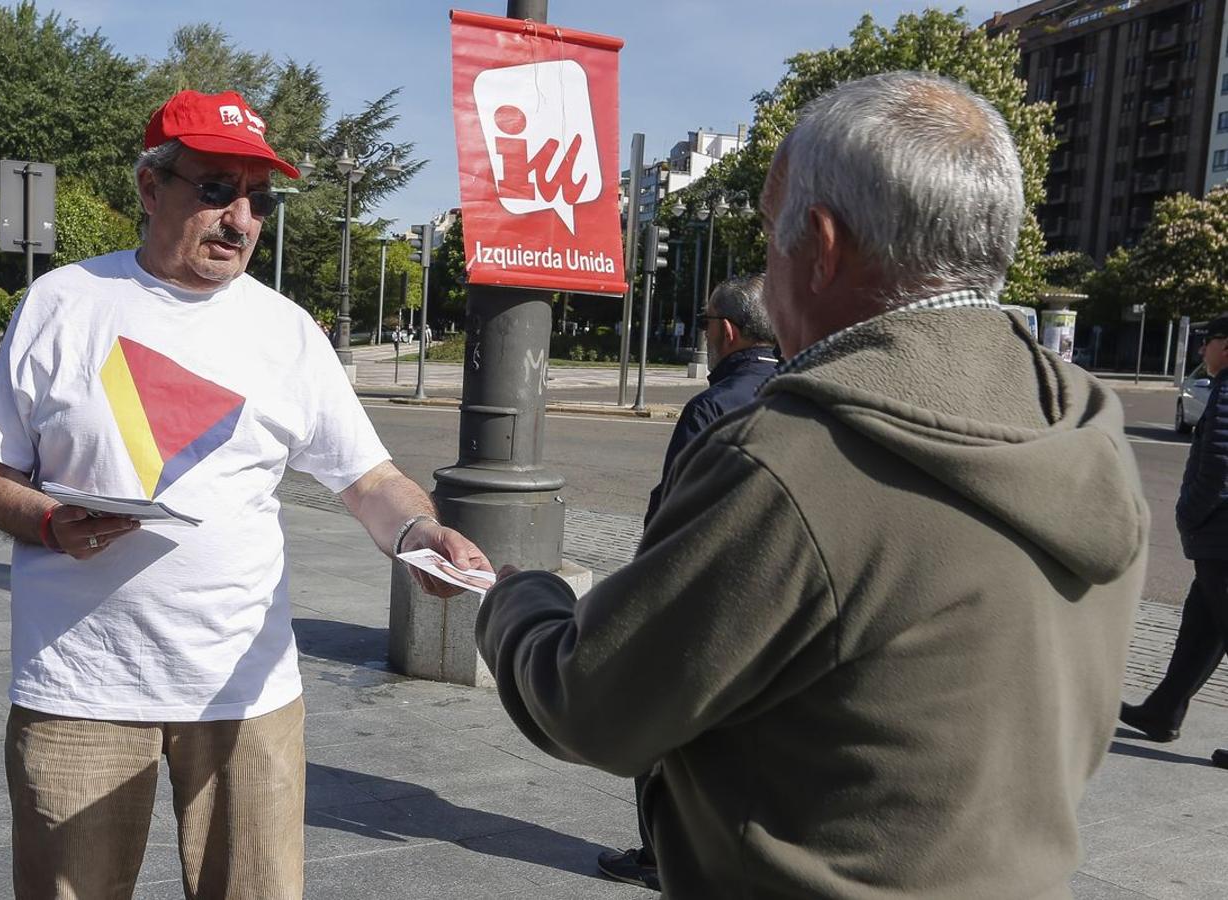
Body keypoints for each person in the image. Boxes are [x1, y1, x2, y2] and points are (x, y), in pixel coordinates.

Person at [475, 71, 1148, 897]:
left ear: (821, 248)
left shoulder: (793, 459)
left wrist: (516, 601)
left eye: (770, 235)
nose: (767, 273)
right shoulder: (1086, 424)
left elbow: (591, 704)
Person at [0, 89, 491, 899]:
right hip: (80, 693)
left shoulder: (286, 331)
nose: (240, 218)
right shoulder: (61, 305)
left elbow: (369, 479)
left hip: (249, 696)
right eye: (215, 189)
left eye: (258, 199)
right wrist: (49, 522)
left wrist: (420, 532)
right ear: (151, 187)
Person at [598, 273, 779, 890]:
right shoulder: (794, 390)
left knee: (662, 731)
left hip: (699, 592)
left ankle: (661, 855)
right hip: (768, 592)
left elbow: (673, 510)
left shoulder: (713, 405)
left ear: (725, 330)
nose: (704, 334)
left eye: (705, 323)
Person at [1121, 315, 1228, 749]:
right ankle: (1163, 711)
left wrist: (1189, 513)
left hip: (1222, 535)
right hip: (1218, 536)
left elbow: (1220, 461)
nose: (1202, 351)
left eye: (1209, 342)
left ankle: (1163, 711)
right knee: (1202, 625)